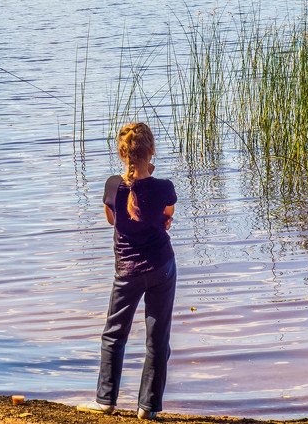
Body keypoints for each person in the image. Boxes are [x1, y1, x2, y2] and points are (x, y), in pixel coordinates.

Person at [79, 122, 178, 420]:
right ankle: (147, 408)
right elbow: (166, 218)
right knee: (157, 338)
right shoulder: (164, 188)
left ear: (122, 154)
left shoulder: (113, 185)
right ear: (151, 151)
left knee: (113, 335)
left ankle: (105, 401)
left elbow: (112, 219)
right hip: (161, 265)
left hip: (127, 270)